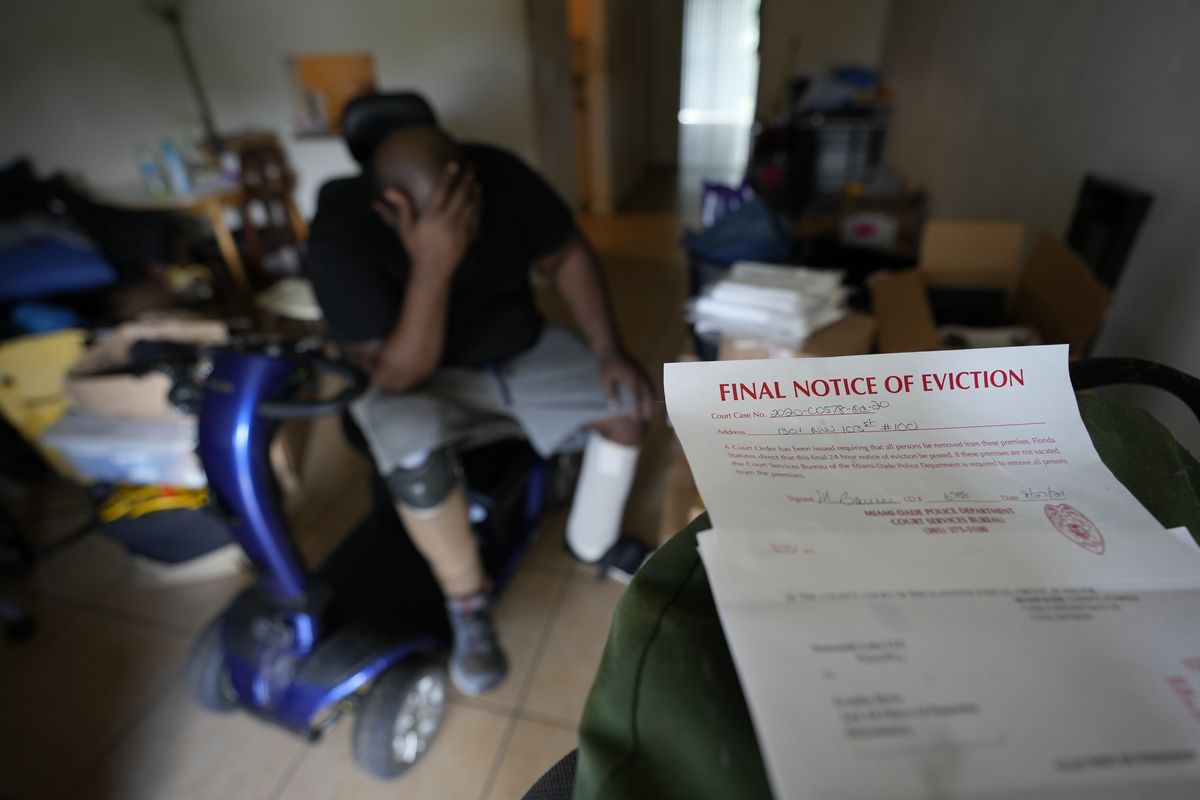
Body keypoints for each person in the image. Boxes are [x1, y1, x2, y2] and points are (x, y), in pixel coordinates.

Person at [305, 92, 654, 695]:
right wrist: (434, 263)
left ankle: (593, 541)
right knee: (412, 453)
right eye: (450, 207)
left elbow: (566, 253)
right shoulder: (339, 233)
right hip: (417, 373)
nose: (468, 208)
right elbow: (395, 375)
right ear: (392, 206)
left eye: (467, 192)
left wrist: (607, 350)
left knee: (629, 408)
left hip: (518, 349)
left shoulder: (497, 172)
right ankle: (467, 601)